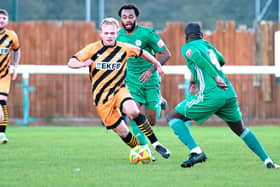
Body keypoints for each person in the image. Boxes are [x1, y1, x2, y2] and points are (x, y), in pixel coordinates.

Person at [166, 22, 279, 169]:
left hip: (212, 93)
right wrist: (197, 77)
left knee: (173, 117)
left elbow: (198, 58)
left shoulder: (188, 47)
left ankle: (196, 151)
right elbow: (221, 60)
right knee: (241, 129)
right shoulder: (208, 46)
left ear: (186, 36)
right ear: (201, 35)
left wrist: (215, 77)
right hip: (228, 94)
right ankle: (268, 161)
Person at [67, 17, 170, 158]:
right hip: (102, 98)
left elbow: (142, 52)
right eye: (107, 33)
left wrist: (157, 65)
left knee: (133, 110)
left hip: (120, 90)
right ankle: (141, 150)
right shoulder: (92, 49)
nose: (109, 36)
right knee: (122, 131)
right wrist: (82, 64)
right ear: (101, 33)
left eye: (112, 33)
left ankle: (156, 143)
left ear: (117, 33)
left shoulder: (123, 48)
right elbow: (71, 62)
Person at [117, 4, 171, 154]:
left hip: (151, 80)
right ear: (120, 19)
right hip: (132, 81)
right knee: (133, 113)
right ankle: (144, 149)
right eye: (124, 17)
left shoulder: (148, 34)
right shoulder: (118, 36)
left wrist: (151, 70)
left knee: (152, 120)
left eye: (130, 17)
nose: (127, 20)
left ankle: (159, 100)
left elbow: (166, 53)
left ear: (136, 18)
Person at [0, 9, 21, 144]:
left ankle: (1, 134)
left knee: (2, 103)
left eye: (4, 18)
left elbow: (16, 50)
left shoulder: (11, 36)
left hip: (4, 75)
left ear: (7, 21)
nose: (1, 20)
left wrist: (16, 66)